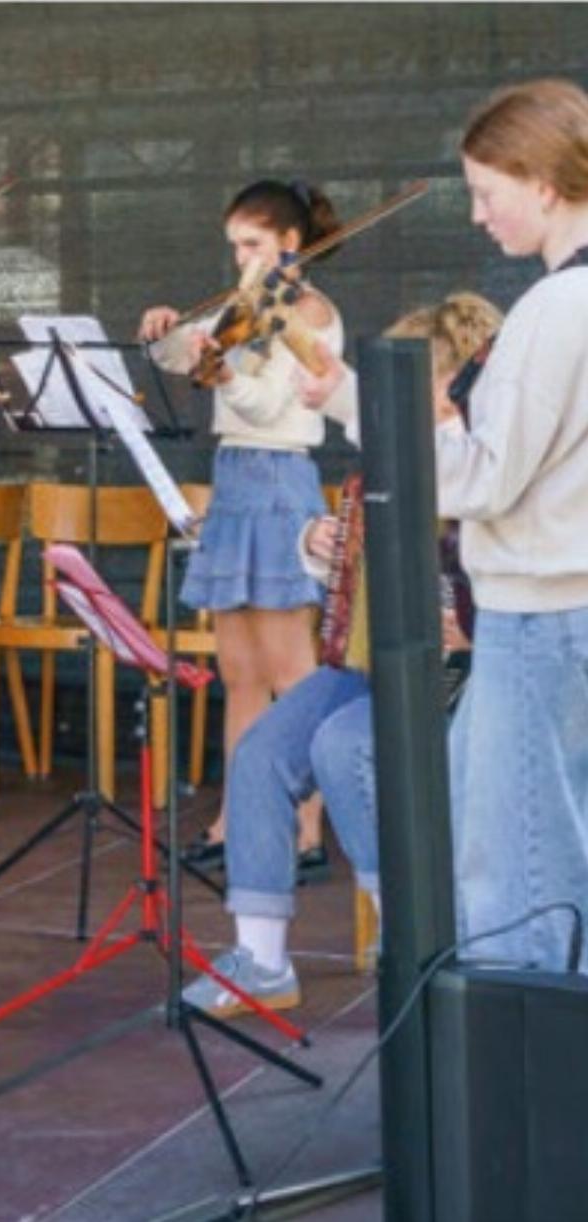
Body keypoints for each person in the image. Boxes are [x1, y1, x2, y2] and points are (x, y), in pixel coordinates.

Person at [182, 294, 500, 1016]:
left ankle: (412, 934)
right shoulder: (392, 462)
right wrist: (319, 549)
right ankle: (262, 961)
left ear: (455, 387)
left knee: (342, 745)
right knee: (261, 751)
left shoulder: (487, 468)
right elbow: (356, 578)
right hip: (377, 669)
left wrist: (475, 629)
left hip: (458, 680)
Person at [138, 180, 348, 879]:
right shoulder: (241, 308)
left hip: (280, 482)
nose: (240, 260)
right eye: (234, 247)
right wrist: (168, 332)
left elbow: (261, 404)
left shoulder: (311, 314)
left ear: (291, 244)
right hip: (234, 482)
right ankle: (238, 818)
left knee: (293, 672)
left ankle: (308, 828)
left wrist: (220, 371)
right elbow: (182, 359)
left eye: (253, 245)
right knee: (242, 673)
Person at [437, 77, 588, 974]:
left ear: (542, 180)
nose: (476, 215)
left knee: (518, 879)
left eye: (485, 192)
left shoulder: (553, 309)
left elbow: (485, 479)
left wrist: (363, 410)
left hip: (541, 618)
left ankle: (524, 1100)